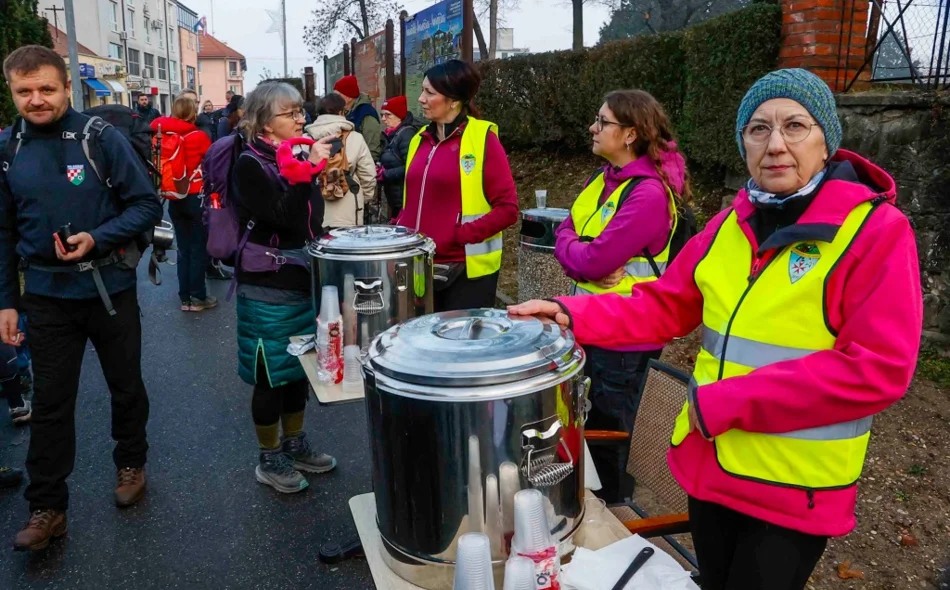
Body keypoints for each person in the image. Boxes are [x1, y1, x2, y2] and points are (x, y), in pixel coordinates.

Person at [510, 68, 922, 590]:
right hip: (711, 471)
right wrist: (571, 314)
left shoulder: (876, 232)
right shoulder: (732, 222)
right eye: (757, 129)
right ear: (742, 144)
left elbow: (878, 369)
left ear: (826, 141)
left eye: (795, 126)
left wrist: (725, 403)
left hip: (792, 491)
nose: (775, 144)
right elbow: (664, 305)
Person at [0, 46, 163, 551]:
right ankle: (47, 507)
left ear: (67, 87)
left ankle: (130, 460)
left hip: (107, 287)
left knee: (125, 386)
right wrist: (7, 301)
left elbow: (145, 205)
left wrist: (99, 237)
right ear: (11, 91)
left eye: (46, 89)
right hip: (46, 296)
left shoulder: (99, 137)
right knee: (51, 403)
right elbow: (3, 231)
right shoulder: (8, 148)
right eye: (24, 91)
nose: (36, 99)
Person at [555, 89, 687, 503]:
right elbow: (565, 233)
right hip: (592, 322)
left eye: (603, 121)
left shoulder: (647, 194)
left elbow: (592, 258)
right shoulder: (606, 179)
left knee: (611, 431)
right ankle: (592, 502)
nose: (593, 129)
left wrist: (578, 252)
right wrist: (577, 251)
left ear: (630, 133)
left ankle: (612, 512)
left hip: (626, 336)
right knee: (588, 423)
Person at [232, 82, 337, 494]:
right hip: (266, 286)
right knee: (269, 375)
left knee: (298, 370)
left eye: (300, 112)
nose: (300, 119)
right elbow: (281, 216)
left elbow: (308, 219)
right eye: (290, 114)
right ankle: (269, 456)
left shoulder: (292, 155)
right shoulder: (250, 164)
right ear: (264, 123)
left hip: (302, 280)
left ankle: (294, 443)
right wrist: (304, 173)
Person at [395, 60, 518, 312]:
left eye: (430, 92)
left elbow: (508, 209)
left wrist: (459, 236)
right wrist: (398, 228)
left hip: (464, 272)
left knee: (460, 348)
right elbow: (414, 200)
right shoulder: (419, 140)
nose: (420, 99)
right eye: (422, 90)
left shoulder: (483, 139)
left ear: (453, 100)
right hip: (417, 265)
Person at [150, 97, 215, 312]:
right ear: (192, 112)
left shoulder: (162, 134)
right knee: (197, 248)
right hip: (195, 195)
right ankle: (198, 297)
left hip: (174, 196)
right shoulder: (198, 137)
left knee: (183, 248)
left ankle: (185, 298)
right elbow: (211, 163)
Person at [304, 93, 377, 231]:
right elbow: (368, 174)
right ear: (342, 112)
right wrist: (364, 197)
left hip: (313, 210)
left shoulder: (305, 139)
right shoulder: (355, 137)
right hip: (349, 207)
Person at [377, 95, 422, 220]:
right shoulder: (392, 134)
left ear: (399, 116)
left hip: (404, 197)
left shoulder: (406, 134)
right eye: (382, 114)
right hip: (396, 196)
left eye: (388, 115)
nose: (383, 119)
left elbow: (411, 166)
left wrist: (385, 174)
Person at [333, 75, 382, 160]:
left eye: (337, 95)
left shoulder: (366, 114)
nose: (334, 99)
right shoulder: (345, 112)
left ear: (348, 97)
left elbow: (372, 149)